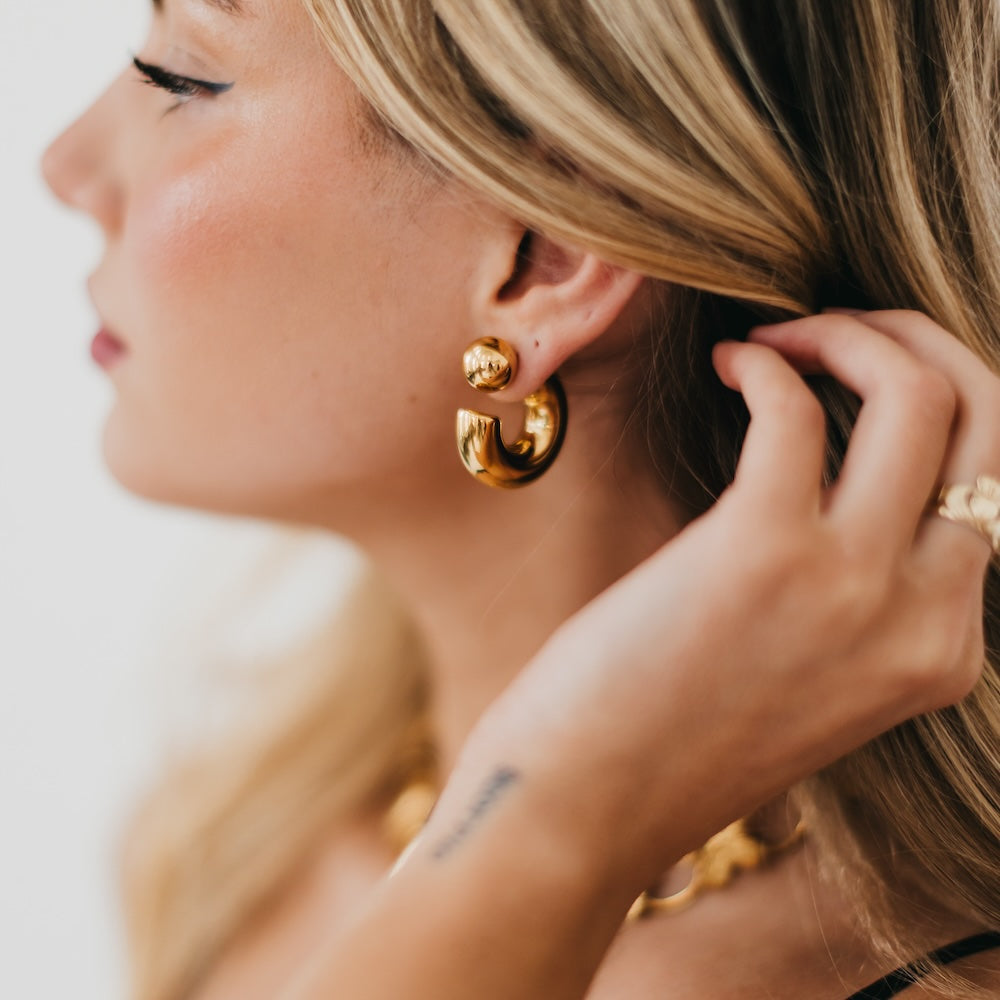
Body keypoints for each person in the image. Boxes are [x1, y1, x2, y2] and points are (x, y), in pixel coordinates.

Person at [42, 0, 1000, 997]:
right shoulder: (241, 829)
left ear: (543, 257)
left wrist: (563, 817)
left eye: (183, 79)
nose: (63, 165)